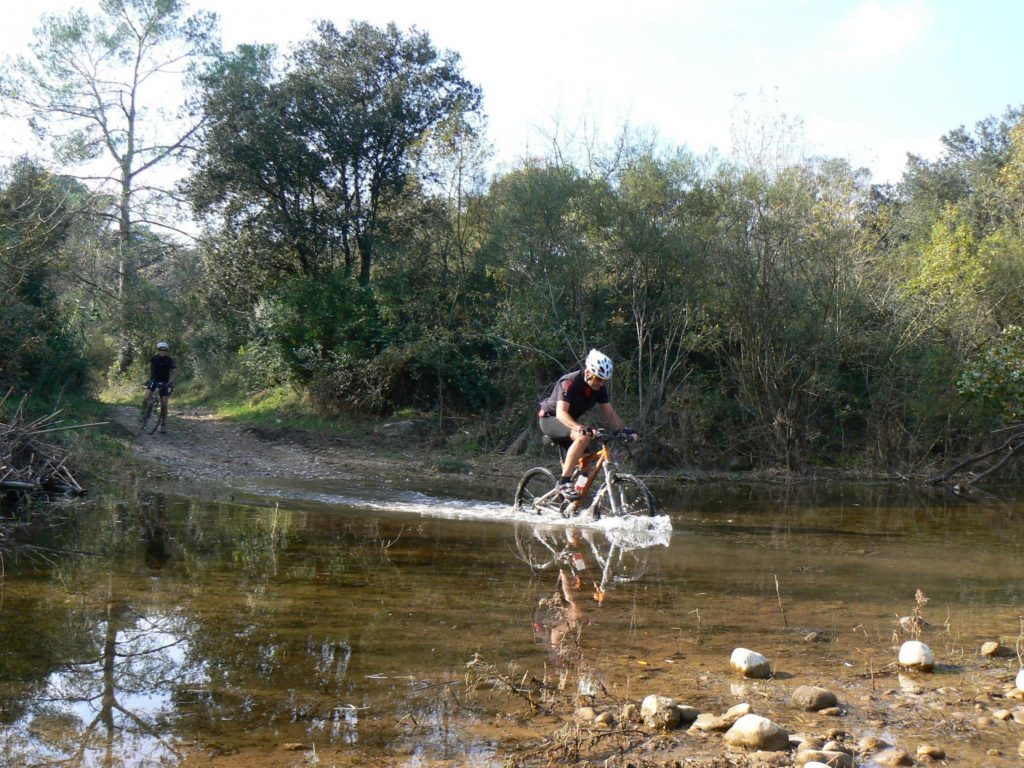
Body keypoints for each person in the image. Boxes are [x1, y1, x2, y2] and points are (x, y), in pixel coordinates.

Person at [536, 349, 638, 500]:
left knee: (586, 467)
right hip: (551, 419)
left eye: (604, 380)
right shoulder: (570, 382)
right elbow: (561, 413)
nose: (601, 383)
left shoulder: (599, 388)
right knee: (583, 438)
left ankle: (573, 502)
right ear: (588, 372)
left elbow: (609, 413)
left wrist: (624, 430)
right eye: (598, 379)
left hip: (570, 424)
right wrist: (581, 428)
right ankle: (564, 482)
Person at [143, 341, 177, 434]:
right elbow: (150, 369)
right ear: (158, 350)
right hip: (153, 381)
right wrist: (148, 378)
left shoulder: (169, 360)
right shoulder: (154, 359)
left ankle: (163, 424)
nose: (162, 351)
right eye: (161, 349)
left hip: (164, 383)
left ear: (167, 351)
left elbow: (175, 372)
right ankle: (143, 414)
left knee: (164, 405)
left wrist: (171, 383)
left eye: (164, 349)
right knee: (146, 397)